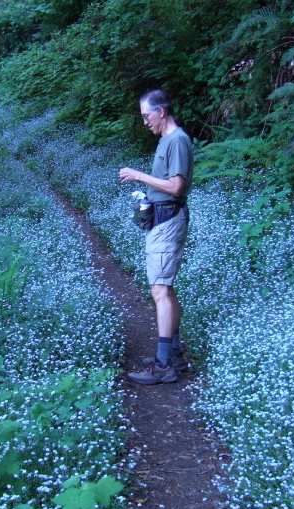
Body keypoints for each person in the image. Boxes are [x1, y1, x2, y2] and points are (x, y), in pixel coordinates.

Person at [119, 89, 193, 385]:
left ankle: (163, 366)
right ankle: (172, 355)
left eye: (146, 116)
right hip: (163, 219)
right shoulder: (169, 140)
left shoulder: (176, 140)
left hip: (168, 220)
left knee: (159, 290)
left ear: (161, 112)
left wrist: (139, 176)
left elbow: (176, 187)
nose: (145, 122)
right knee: (167, 288)